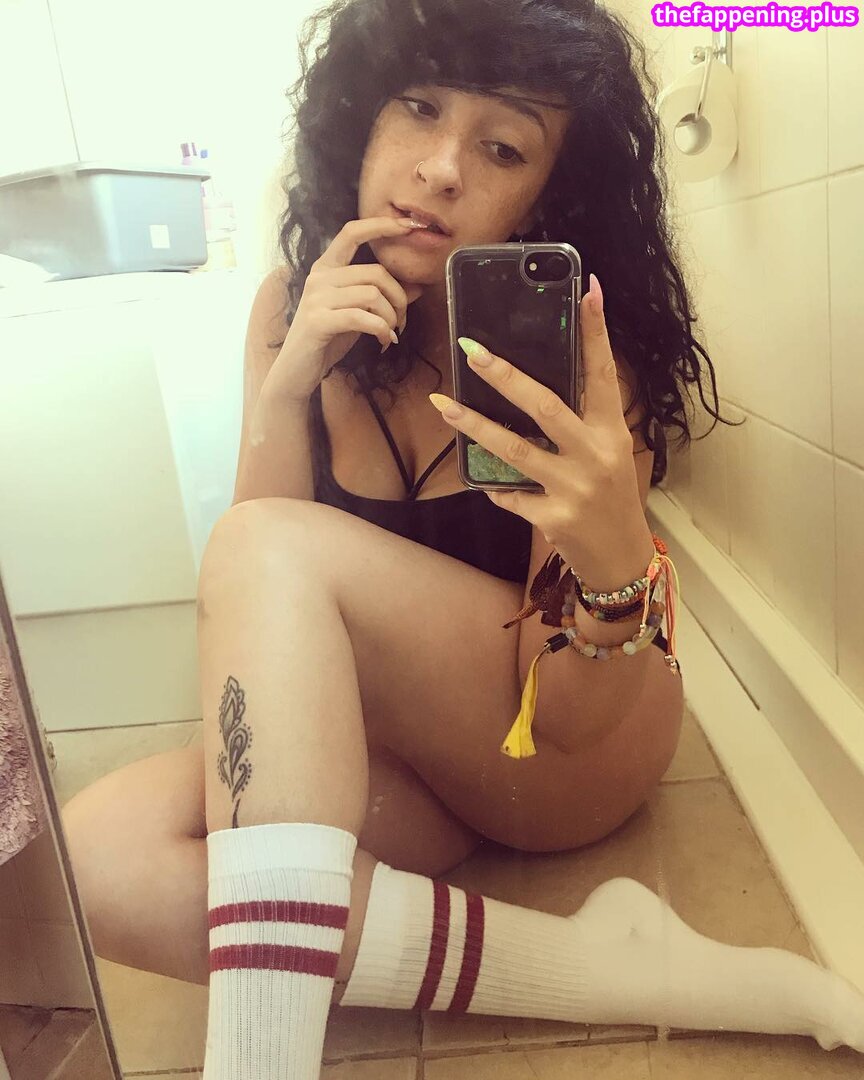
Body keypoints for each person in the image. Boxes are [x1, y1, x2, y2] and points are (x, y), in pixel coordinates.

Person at [62, 0, 864, 1075]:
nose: (439, 168)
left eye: (502, 147)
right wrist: (291, 380)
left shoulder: (572, 347)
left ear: (549, 191)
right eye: (418, 107)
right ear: (360, 117)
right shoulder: (290, 308)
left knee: (265, 550)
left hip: (568, 738)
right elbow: (252, 601)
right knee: (97, 858)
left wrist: (613, 558)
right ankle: (607, 969)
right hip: (403, 745)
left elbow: (567, 715)